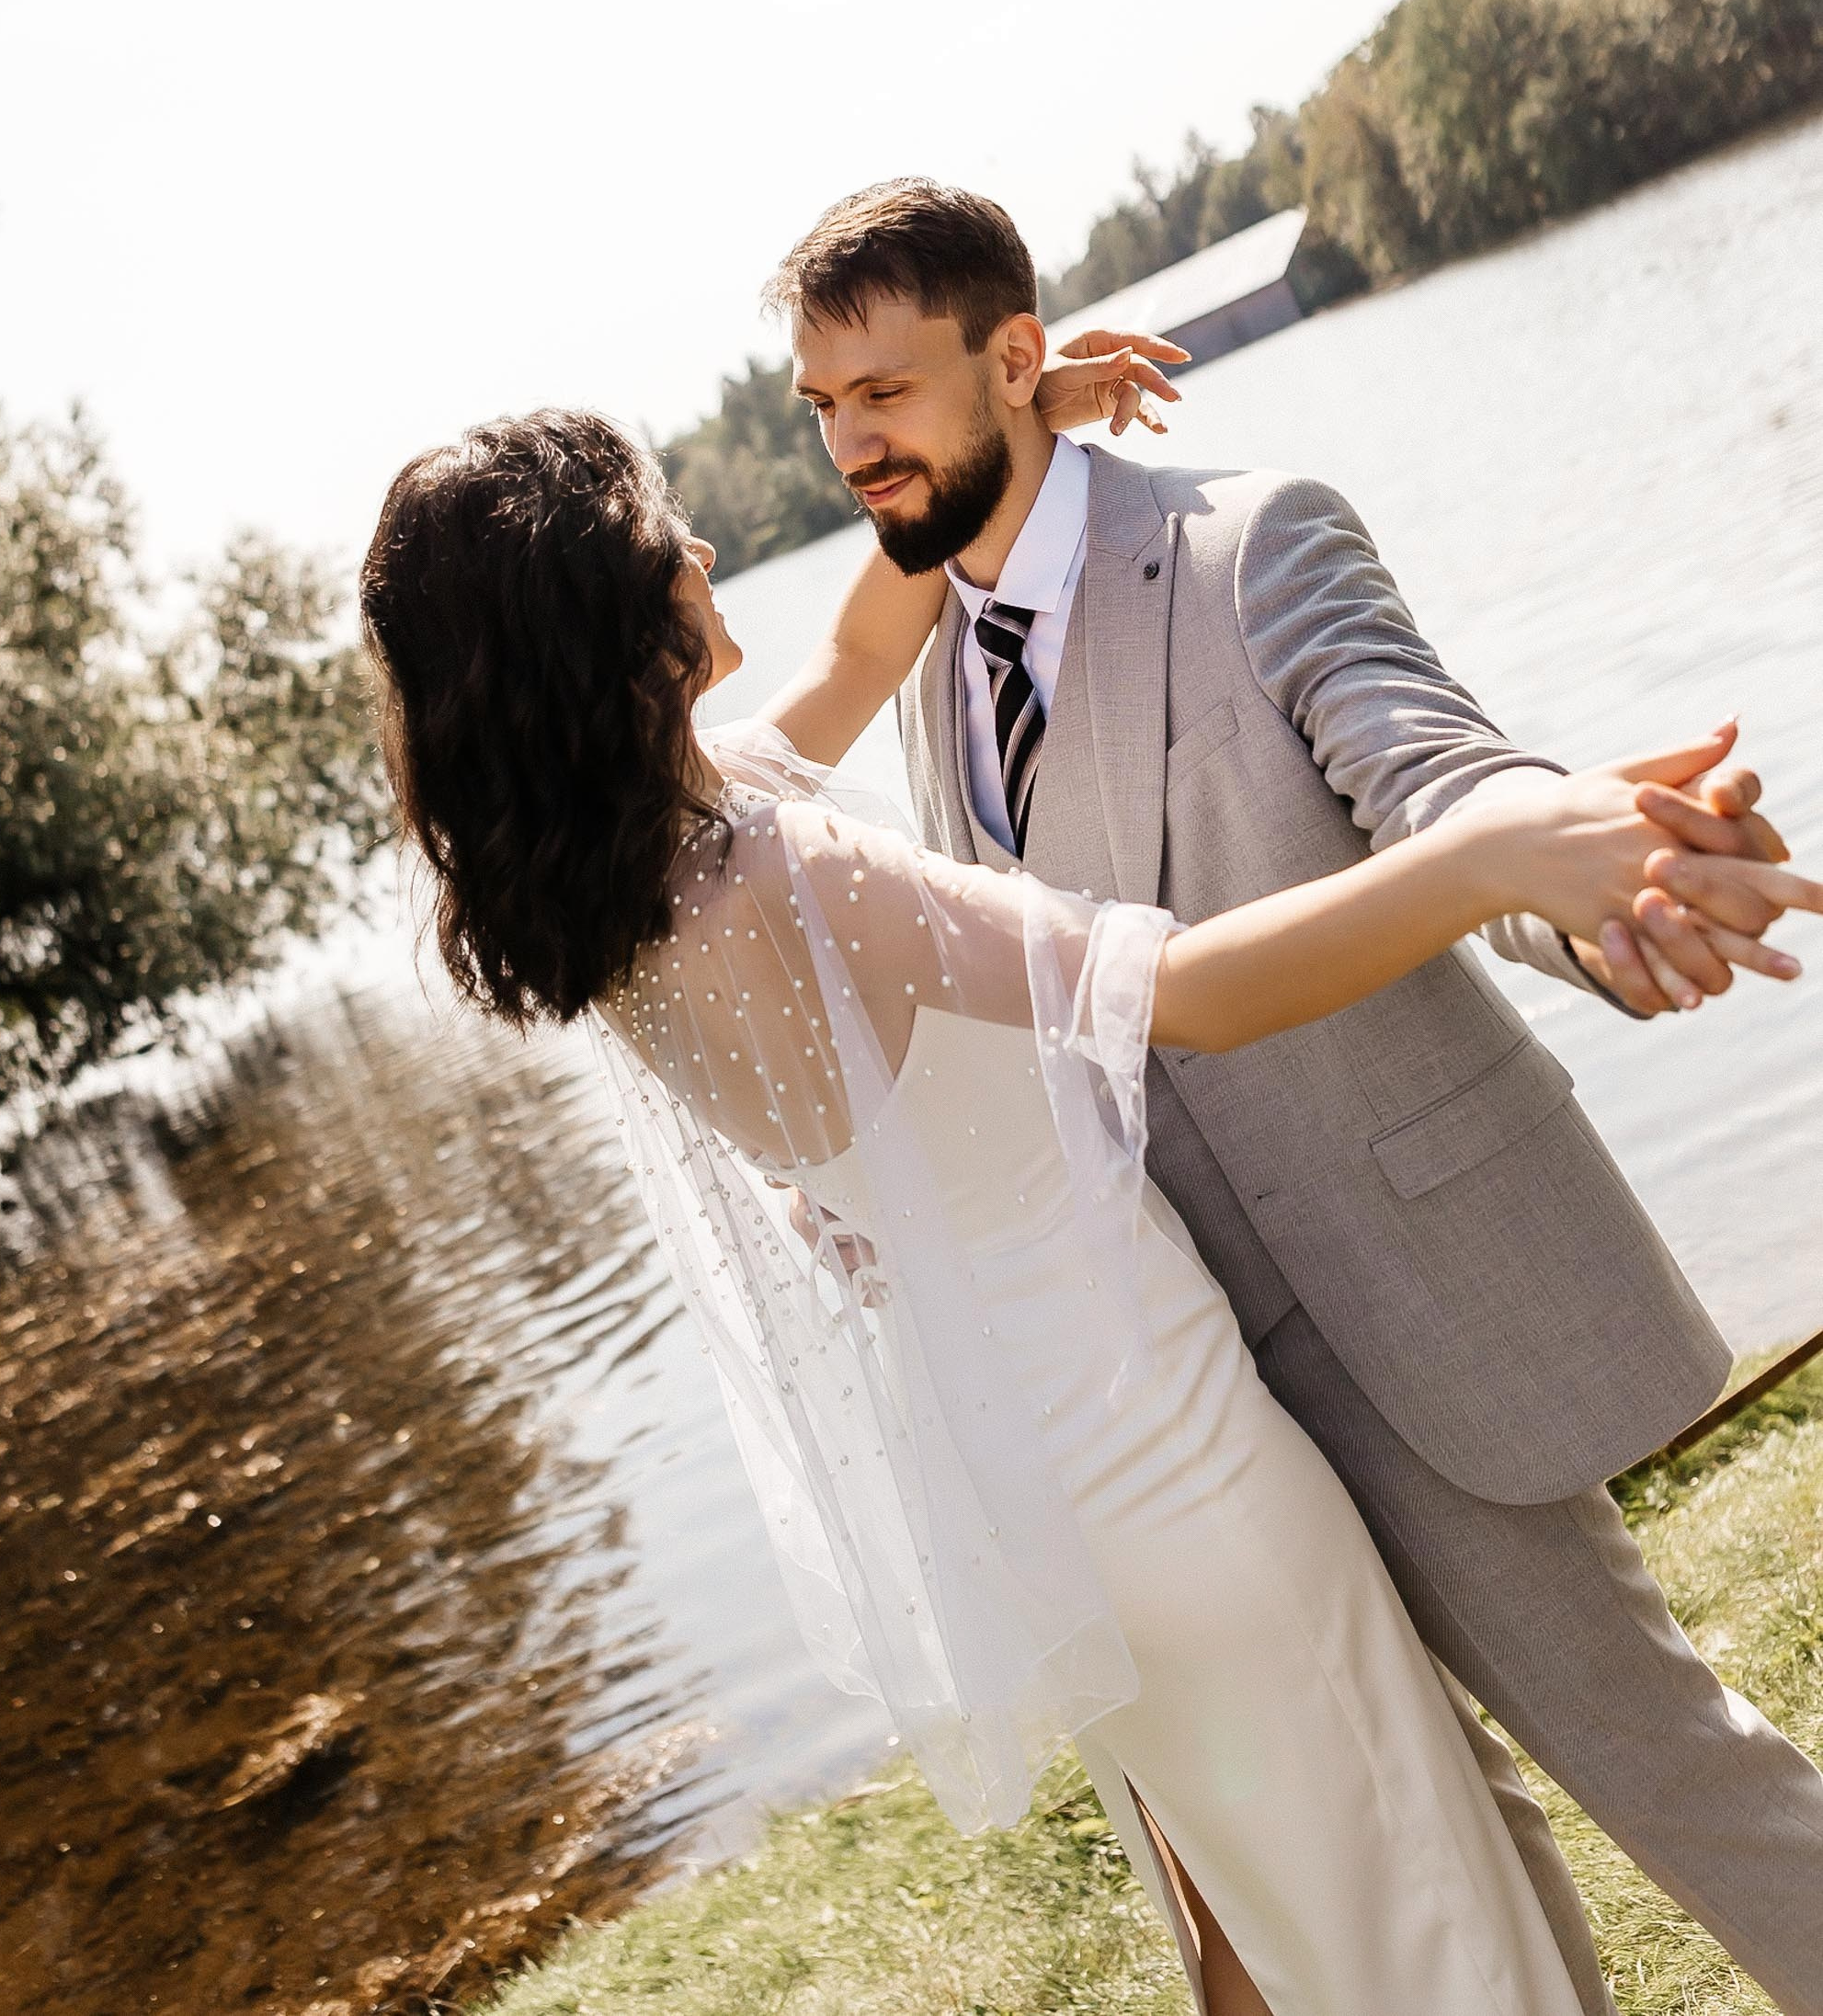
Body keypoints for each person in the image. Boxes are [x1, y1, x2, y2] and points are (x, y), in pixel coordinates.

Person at [359, 401, 1821, 2015]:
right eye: (664, 536)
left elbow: (859, 646)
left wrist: (999, 423)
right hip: (1168, 1452)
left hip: (1025, 1480)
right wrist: (1484, 851)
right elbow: (1185, 990)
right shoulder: (786, 873)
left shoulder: (627, 897)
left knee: (1304, 1911)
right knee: (1413, 1902)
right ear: (608, 626)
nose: (704, 549)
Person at [752, 176, 1823, 2016]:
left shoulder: (1256, 546)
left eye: (890, 391)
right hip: (1174, 1397)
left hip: (1401, 1314)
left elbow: (1435, 775)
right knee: (1439, 1850)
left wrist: (1610, 881)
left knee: (1669, 1766)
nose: (855, 442)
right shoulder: (924, 643)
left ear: (1017, 360)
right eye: (823, 406)